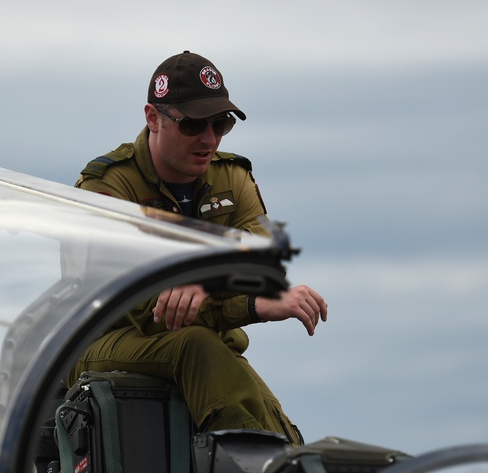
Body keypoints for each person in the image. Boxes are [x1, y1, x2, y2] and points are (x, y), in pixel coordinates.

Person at [70, 51, 326, 444]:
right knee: (197, 347)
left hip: (211, 347)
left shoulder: (232, 178)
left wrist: (204, 282)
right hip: (103, 342)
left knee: (283, 442)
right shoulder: (109, 187)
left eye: (220, 124)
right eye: (192, 125)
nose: (209, 139)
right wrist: (252, 304)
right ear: (153, 118)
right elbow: (148, 311)